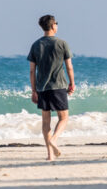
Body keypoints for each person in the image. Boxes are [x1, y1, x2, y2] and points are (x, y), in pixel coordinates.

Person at [27, 14, 75, 161]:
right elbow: (69, 67)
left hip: (42, 87)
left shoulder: (36, 45)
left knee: (46, 121)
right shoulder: (62, 43)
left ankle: (49, 155)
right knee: (64, 117)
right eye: (56, 23)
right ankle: (54, 139)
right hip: (58, 86)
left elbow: (31, 71)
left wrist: (33, 90)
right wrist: (72, 83)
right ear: (53, 25)